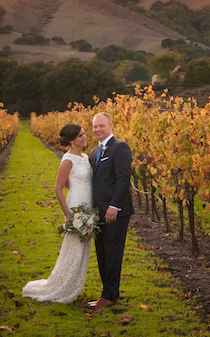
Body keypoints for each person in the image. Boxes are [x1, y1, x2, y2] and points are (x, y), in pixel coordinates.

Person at [22, 123, 94, 303]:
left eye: (84, 134)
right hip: (76, 205)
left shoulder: (85, 157)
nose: (85, 137)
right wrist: (68, 215)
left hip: (88, 204)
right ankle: (63, 286)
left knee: (83, 249)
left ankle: (74, 285)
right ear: (71, 140)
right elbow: (58, 189)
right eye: (80, 136)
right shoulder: (68, 159)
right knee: (74, 248)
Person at [88, 112, 133, 308]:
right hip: (98, 212)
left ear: (111, 126)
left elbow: (123, 179)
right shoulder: (92, 152)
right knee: (102, 253)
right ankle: (107, 293)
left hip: (115, 211)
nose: (97, 129)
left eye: (101, 126)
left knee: (113, 252)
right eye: (94, 127)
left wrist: (114, 206)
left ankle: (109, 296)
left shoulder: (119, 147)